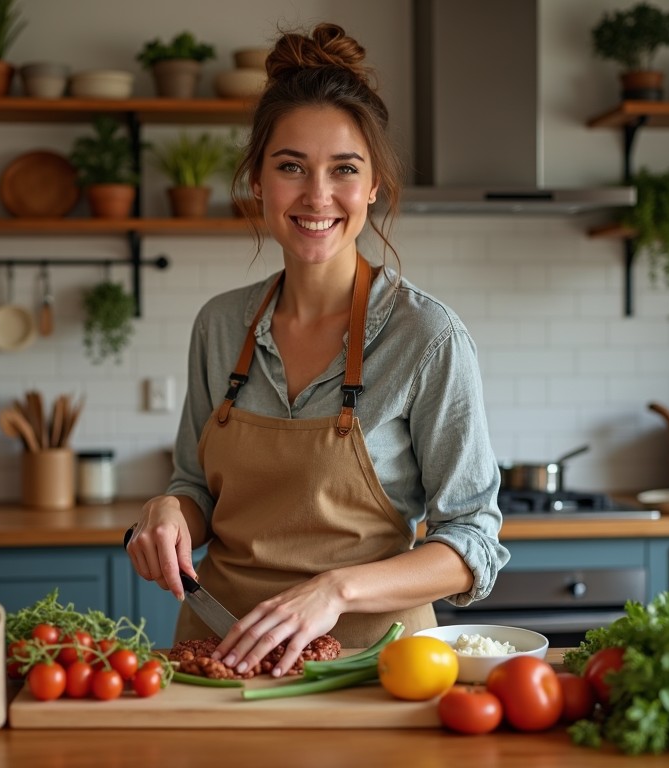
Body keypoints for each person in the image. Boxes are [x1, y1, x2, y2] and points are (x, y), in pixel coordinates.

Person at [125, 22, 509, 678]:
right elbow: (196, 489)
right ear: (258, 181)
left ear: (375, 187)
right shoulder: (219, 326)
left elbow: (472, 542)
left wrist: (337, 590)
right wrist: (168, 510)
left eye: (344, 171)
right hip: (217, 658)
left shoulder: (427, 338)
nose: (316, 196)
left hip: (374, 671)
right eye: (291, 167)